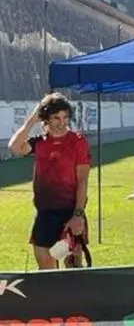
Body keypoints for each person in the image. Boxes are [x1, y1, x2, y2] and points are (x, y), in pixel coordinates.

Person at [7, 92, 91, 269]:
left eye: (65, 117)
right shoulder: (39, 143)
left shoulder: (77, 141)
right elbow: (14, 147)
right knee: (45, 268)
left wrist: (77, 215)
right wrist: (31, 120)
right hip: (45, 214)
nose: (62, 123)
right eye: (56, 118)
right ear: (46, 119)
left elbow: (83, 180)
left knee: (73, 269)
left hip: (70, 212)